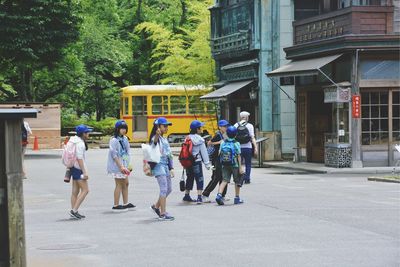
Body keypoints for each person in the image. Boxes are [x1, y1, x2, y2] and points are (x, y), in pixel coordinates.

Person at [149, 117, 175, 221]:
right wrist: (157, 134)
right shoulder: (155, 138)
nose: (166, 128)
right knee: (164, 189)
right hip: (158, 166)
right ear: (158, 127)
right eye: (164, 126)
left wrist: (171, 167)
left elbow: (169, 154)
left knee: (169, 189)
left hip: (165, 166)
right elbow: (154, 142)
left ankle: (156, 206)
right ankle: (163, 213)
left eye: (167, 126)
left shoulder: (164, 139)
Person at [107, 120, 135, 212]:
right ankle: (116, 205)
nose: (123, 130)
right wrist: (121, 167)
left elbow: (127, 152)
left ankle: (125, 203)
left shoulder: (125, 139)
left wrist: (129, 165)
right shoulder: (114, 140)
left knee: (126, 183)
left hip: (124, 164)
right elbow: (114, 155)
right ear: (117, 129)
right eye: (122, 128)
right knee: (119, 184)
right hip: (117, 166)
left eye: (125, 128)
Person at [183, 120, 211, 204]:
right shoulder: (200, 139)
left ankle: (187, 195)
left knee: (190, 177)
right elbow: (204, 153)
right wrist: (207, 164)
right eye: (200, 127)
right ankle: (199, 197)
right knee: (199, 178)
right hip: (196, 161)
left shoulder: (187, 138)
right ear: (197, 129)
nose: (201, 129)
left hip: (188, 162)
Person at [215, 126, 244, 205]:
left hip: (224, 164)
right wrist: (240, 167)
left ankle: (219, 195)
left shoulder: (223, 142)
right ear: (235, 134)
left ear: (227, 134)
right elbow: (238, 156)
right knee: (237, 181)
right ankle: (237, 198)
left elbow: (219, 153)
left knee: (224, 180)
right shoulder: (236, 143)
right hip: (234, 165)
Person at [67, 124, 91, 219]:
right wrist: (85, 172)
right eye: (87, 132)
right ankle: (74, 210)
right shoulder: (80, 143)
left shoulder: (72, 140)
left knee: (75, 191)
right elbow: (80, 158)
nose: (88, 134)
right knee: (85, 190)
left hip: (72, 167)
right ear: (83, 133)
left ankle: (74, 211)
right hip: (78, 168)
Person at [202, 119, 229, 203]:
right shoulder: (218, 135)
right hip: (216, 159)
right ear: (220, 127)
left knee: (224, 177)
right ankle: (205, 194)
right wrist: (219, 142)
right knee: (216, 177)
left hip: (223, 158)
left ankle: (222, 195)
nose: (226, 128)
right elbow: (210, 143)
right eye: (224, 126)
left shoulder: (225, 134)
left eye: (226, 126)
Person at [234, 111, 257, 184]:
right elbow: (252, 137)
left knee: (238, 164)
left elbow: (233, 137)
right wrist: (255, 147)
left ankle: (239, 178)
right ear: (247, 117)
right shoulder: (250, 126)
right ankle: (247, 178)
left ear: (240, 117)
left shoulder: (236, 125)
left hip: (238, 147)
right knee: (248, 164)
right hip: (248, 147)